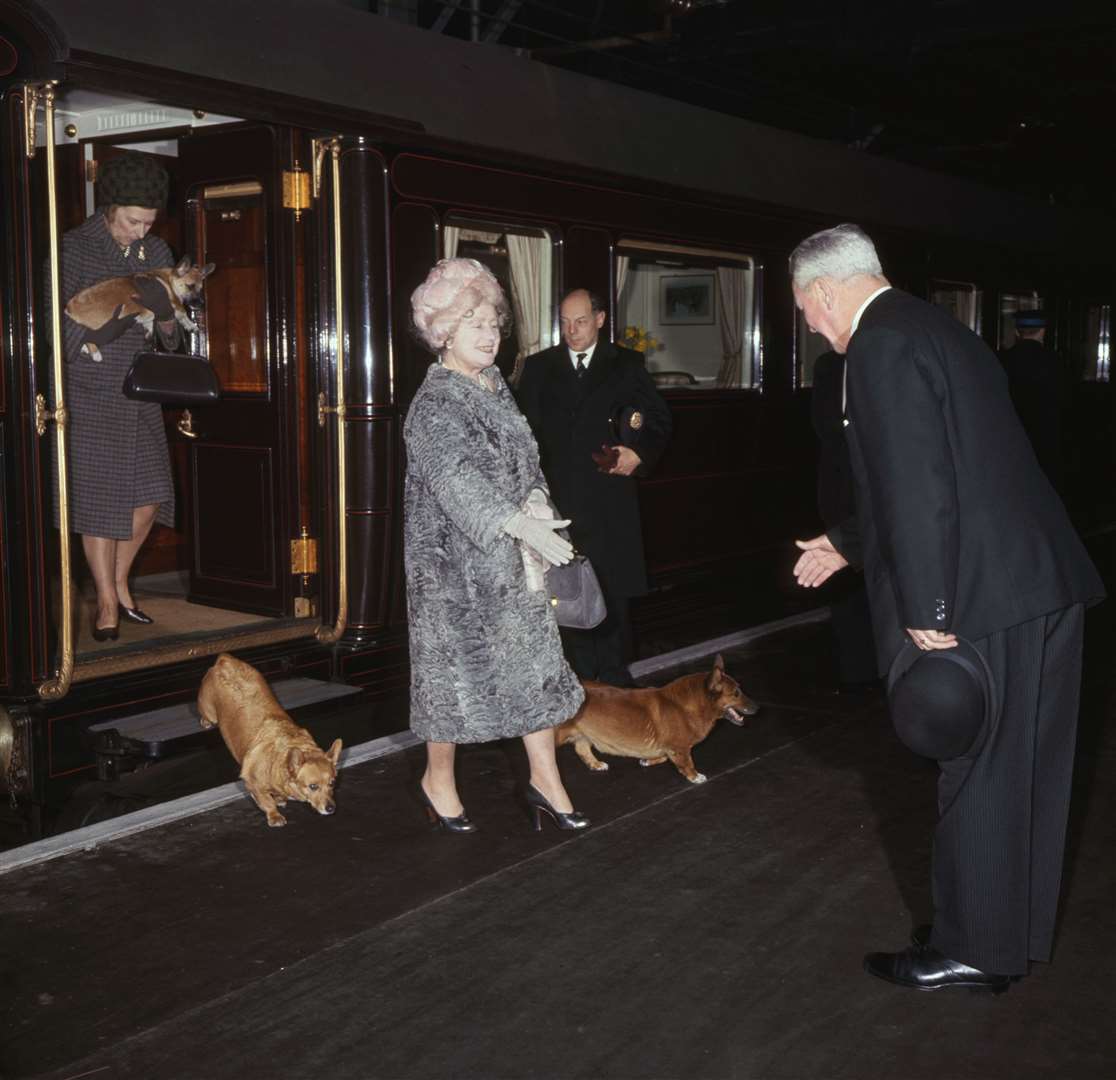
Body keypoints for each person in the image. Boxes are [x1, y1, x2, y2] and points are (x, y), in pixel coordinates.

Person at [789, 224, 1104, 992]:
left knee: (974, 769)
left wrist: (930, 602)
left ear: (825, 291)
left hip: (975, 595)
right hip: (1035, 581)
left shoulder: (877, 347)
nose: (807, 324)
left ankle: (969, 948)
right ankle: (999, 932)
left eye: (803, 307)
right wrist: (847, 542)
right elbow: (941, 466)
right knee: (1022, 773)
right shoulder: (936, 328)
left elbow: (923, 485)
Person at [404, 258, 589, 834]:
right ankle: (438, 781)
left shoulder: (493, 386)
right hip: (451, 572)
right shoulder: (432, 404)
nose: (488, 335)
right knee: (451, 682)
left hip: (514, 563)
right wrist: (517, 522)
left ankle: (546, 780)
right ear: (443, 333)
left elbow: (525, 460)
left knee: (536, 668)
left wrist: (537, 505)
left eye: (492, 323)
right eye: (472, 324)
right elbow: (457, 481)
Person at [515, 289, 672, 686]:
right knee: (565, 596)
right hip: (556, 502)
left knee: (612, 594)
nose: (572, 331)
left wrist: (638, 455)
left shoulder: (626, 364)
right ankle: (576, 687)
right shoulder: (537, 368)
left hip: (609, 500)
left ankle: (617, 690)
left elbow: (658, 422)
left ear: (600, 319)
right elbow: (519, 434)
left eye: (581, 321)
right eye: (565, 322)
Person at [55, 152, 181, 642]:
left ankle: (119, 580)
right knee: (101, 504)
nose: (140, 233)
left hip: (141, 389)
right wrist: (124, 316)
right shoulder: (73, 249)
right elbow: (61, 334)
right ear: (109, 208)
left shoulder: (158, 252)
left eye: (149, 223)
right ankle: (107, 601)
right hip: (92, 392)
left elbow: (172, 339)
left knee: (149, 500)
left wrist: (165, 315)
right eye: (133, 222)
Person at [810, 349, 878, 693]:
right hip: (859, 485)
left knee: (847, 582)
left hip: (839, 485)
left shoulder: (829, 365)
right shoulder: (875, 359)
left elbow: (823, 425)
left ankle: (856, 669)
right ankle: (868, 667)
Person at [999, 309, 1063, 491]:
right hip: (1045, 436)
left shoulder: (1002, 359)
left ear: (1017, 332)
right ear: (1042, 331)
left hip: (1009, 435)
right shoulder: (1053, 361)